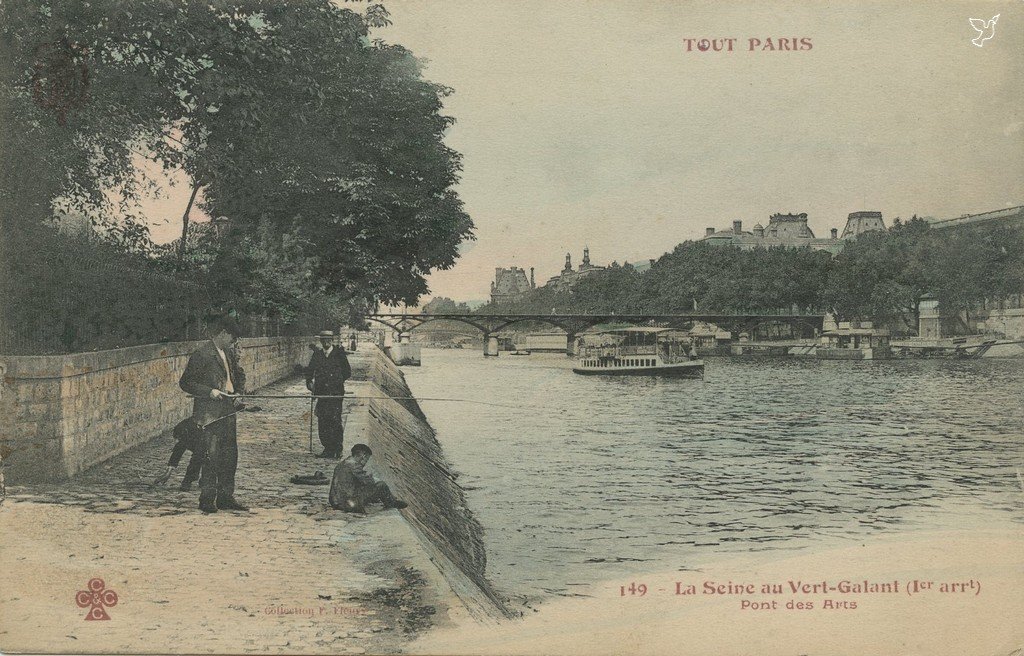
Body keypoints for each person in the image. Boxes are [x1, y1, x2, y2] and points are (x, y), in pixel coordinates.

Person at [179, 315, 248, 514]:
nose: (234, 342)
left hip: (227, 410)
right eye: (232, 337)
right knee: (211, 456)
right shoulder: (202, 354)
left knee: (230, 456)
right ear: (223, 333)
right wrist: (210, 391)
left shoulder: (227, 353)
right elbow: (186, 383)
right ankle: (207, 500)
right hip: (209, 414)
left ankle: (226, 497)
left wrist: (236, 394)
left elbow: (233, 378)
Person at [305, 330, 351, 459]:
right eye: (323, 340)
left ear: (332, 340)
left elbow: (347, 372)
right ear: (320, 341)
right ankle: (327, 448)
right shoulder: (317, 355)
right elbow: (309, 371)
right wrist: (309, 383)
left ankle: (337, 448)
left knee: (335, 419)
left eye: (328, 340)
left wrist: (336, 381)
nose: (326, 342)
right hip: (321, 393)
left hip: (336, 393)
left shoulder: (339, 354)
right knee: (323, 420)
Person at [328, 444, 407, 513]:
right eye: (366, 459)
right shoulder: (355, 466)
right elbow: (370, 482)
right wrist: (371, 476)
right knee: (382, 485)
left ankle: (389, 500)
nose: (365, 462)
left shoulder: (341, 464)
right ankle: (391, 503)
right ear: (364, 455)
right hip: (348, 504)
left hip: (335, 502)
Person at [153, 416, 206, 490]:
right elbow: (178, 450)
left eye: (179, 439)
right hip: (198, 438)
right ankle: (191, 481)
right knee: (200, 454)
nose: (178, 441)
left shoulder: (194, 433)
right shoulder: (184, 429)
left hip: (210, 436)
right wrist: (168, 471)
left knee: (201, 456)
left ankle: (195, 480)